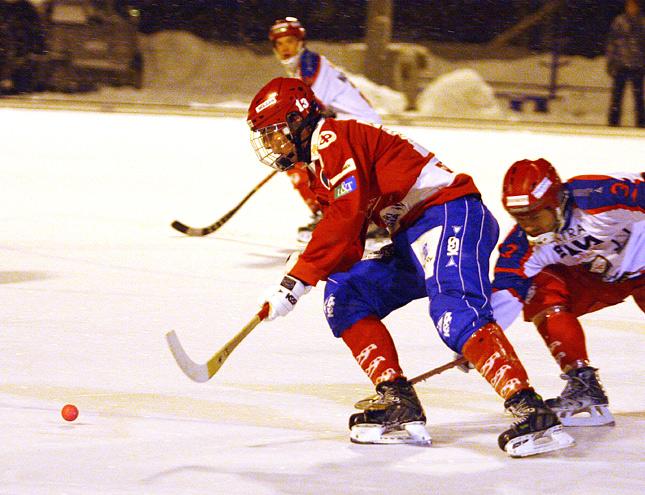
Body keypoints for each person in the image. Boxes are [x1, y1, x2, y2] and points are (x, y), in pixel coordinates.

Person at [246, 77, 574, 457]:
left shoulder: (332, 137)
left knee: (453, 311)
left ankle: (532, 410)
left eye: (273, 133)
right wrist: (305, 273)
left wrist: (298, 277)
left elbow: (347, 213)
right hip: (413, 233)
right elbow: (347, 239)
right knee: (346, 295)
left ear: (299, 120)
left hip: (451, 211)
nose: (269, 144)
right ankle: (398, 403)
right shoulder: (319, 171)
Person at [492, 158, 645, 427]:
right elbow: (507, 291)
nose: (528, 226)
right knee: (538, 287)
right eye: (519, 217)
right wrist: (480, 341)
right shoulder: (523, 244)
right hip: (604, 279)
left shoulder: (598, 196)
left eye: (534, 215)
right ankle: (583, 383)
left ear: (556, 202)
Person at [268, 17, 387, 245]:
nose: (285, 48)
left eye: (290, 41)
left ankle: (338, 215)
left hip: (358, 129)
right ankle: (349, 214)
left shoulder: (310, 67)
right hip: (353, 126)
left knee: (297, 156)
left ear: (300, 42)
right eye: (279, 43)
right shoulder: (304, 66)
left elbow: (312, 110)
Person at [606, 0, 645, 127]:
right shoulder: (620, 21)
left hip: (637, 65)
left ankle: (641, 123)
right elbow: (612, 42)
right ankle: (613, 123)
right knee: (617, 96)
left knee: (638, 97)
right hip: (621, 64)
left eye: (633, 5)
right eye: (629, 5)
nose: (631, 8)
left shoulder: (642, 22)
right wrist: (611, 62)